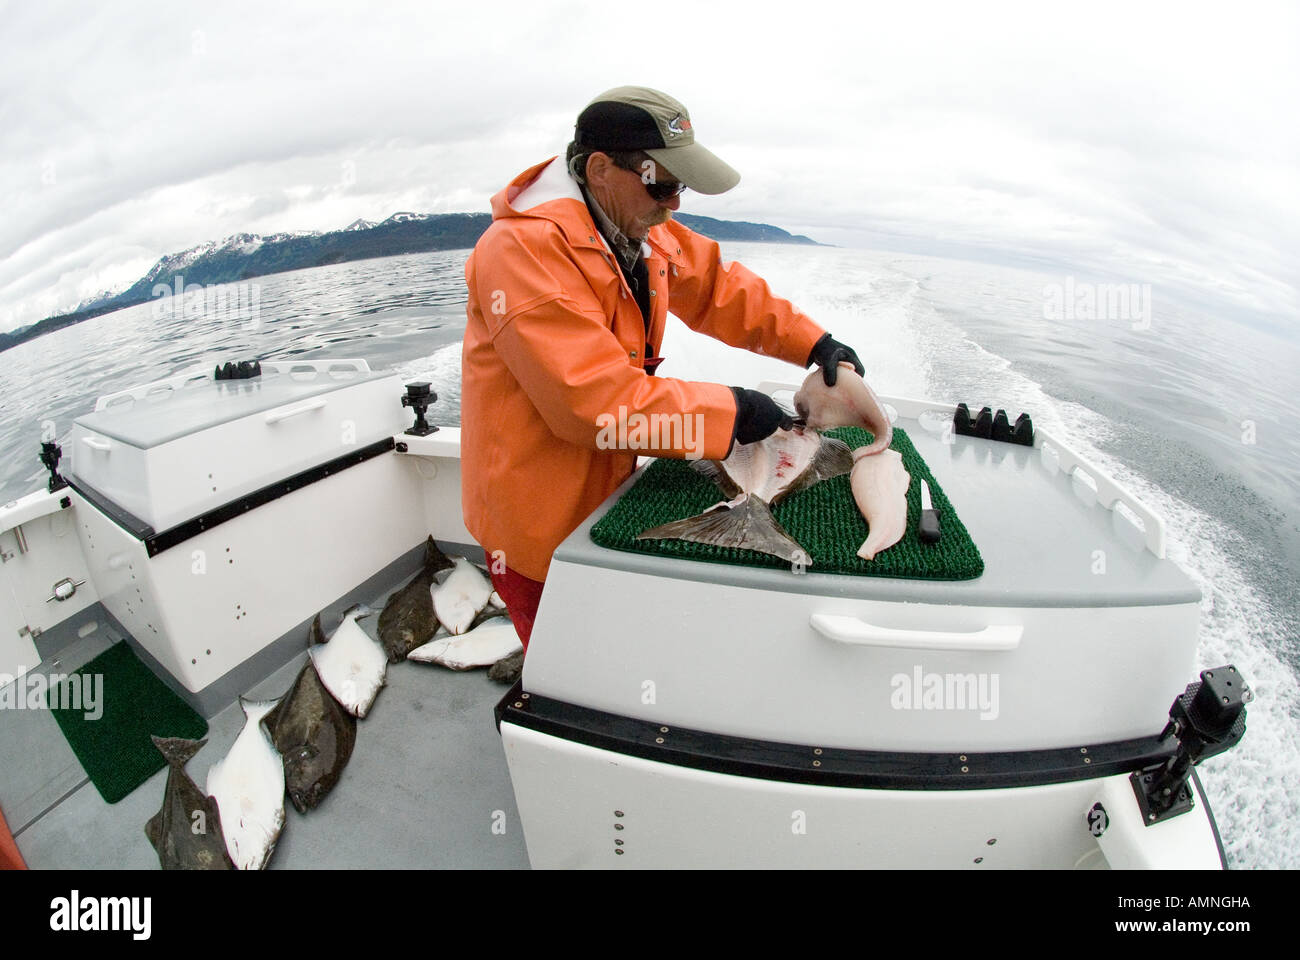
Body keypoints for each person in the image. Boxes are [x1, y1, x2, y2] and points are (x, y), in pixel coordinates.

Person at [460, 86, 863, 651]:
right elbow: (594, 406)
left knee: (614, 643)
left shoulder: (639, 224)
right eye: (663, 181)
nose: (674, 203)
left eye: (681, 185)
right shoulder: (521, 251)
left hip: (610, 485)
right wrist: (734, 410)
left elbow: (720, 289)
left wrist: (814, 343)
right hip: (537, 516)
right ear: (600, 168)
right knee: (567, 661)